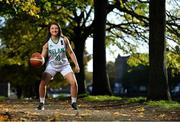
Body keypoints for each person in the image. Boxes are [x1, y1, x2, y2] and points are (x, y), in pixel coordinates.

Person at [37, 22, 80, 110]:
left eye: (56, 28)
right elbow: (42, 57)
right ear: (49, 30)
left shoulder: (64, 40)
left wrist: (76, 65)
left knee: (74, 83)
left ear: (59, 29)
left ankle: (74, 102)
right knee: (42, 83)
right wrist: (38, 60)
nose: (54, 30)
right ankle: (41, 103)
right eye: (52, 28)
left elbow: (71, 52)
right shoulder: (47, 44)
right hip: (52, 66)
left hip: (64, 65)